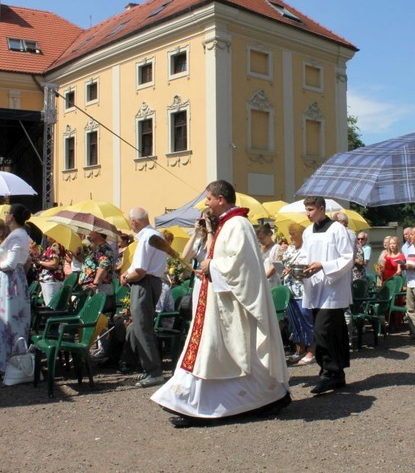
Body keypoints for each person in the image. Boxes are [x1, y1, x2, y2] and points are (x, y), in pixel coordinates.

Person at [152, 180, 290, 427]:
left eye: (208, 198)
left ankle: (262, 398)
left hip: (233, 306)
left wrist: (211, 266)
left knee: (231, 352)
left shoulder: (238, 225)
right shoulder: (227, 225)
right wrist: (209, 265)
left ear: (221, 199)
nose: (205, 203)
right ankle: (189, 401)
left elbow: (242, 266)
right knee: (214, 352)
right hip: (218, 301)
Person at [298, 196, 354, 394]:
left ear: (322, 208)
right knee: (332, 332)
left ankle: (328, 373)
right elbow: (304, 255)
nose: (308, 213)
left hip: (332, 289)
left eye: (311, 209)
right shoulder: (307, 232)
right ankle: (335, 373)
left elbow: (348, 258)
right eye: (307, 209)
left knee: (323, 331)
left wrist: (324, 265)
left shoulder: (337, 229)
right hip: (314, 287)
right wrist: (297, 268)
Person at [120, 207, 168, 388]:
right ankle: (150, 368)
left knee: (141, 327)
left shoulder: (146, 238)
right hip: (153, 282)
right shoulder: (156, 235)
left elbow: (140, 271)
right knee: (143, 326)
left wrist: (126, 277)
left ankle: (153, 371)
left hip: (144, 284)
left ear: (134, 222)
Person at [0, 204, 32, 374]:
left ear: (11, 216)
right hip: (9, 281)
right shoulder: (17, 235)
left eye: (7, 213)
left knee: (9, 321)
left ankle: (11, 364)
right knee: (6, 320)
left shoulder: (17, 236)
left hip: (10, 282)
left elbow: (11, 263)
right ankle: (5, 363)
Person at [280, 223, 315, 365]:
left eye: (293, 234)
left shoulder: (307, 250)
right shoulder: (289, 250)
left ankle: (312, 350)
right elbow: (283, 263)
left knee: (306, 319)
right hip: (290, 290)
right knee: (294, 322)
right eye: (290, 234)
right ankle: (299, 349)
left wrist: (293, 269)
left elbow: (307, 268)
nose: (291, 237)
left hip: (302, 290)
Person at [79, 230, 116, 314]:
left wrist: (95, 284)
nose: (89, 233)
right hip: (95, 288)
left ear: (98, 233)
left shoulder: (103, 248)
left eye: (91, 232)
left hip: (99, 288)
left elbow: (104, 265)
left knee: (95, 316)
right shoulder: (98, 247)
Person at [33, 236, 66, 307]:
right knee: (52, 305)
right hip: (54, 279)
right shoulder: (59, 246)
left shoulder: (55, 245)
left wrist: (40, 262)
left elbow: (54, 264)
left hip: (51, 280)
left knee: (50, 306)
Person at [256, 223, 281, 288]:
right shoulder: (260, 249)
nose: (261, 241)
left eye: (262, 238)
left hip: (271, 282)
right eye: (259, 239)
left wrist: (263, 278)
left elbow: (274, 267)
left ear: (269, 235)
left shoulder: (276, 248)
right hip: (261, 280)